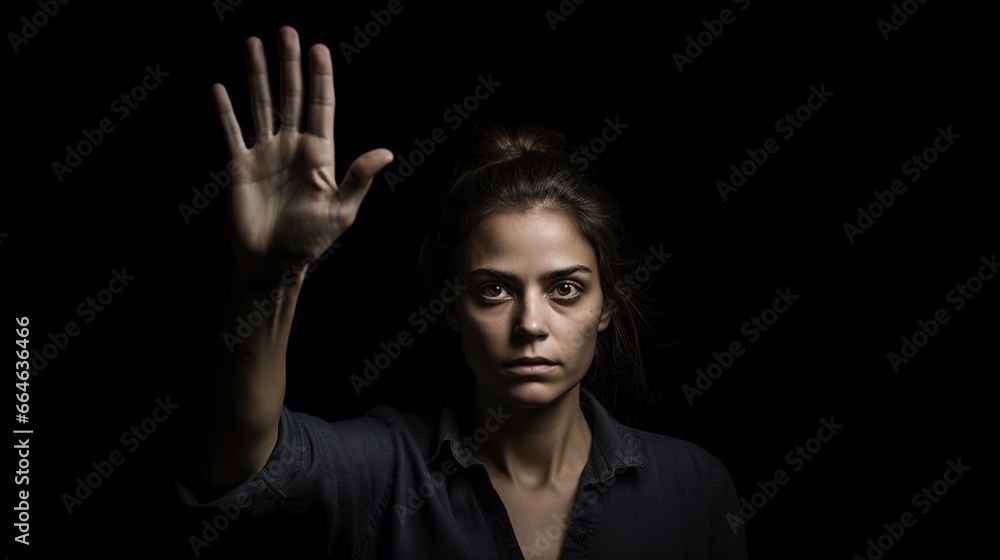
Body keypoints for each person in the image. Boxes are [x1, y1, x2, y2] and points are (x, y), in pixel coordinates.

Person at [178, 26, 748, 559]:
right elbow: (243, 464)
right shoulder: (386, 471)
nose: (531, 323)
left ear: (607, 306)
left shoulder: (695, 488)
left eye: (566, 289)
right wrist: (270, 273)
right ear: (452, 306)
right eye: (495, 289)